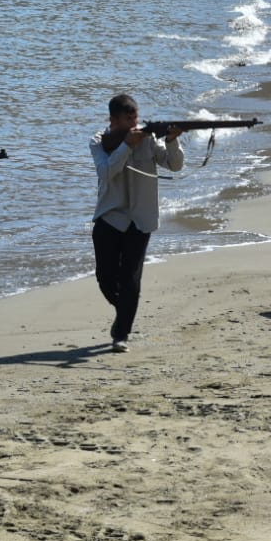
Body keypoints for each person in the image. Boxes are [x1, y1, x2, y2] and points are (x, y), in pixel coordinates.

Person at [91, 95, 183, 352]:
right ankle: (125, 311)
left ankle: (121, 333)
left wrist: (172, 140)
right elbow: (106, 173)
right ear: (113, 120)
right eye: (128, 119)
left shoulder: (149, 139)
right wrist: (126, 146)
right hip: (110, 217)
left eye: (136, 117)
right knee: (105, 278)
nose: (135, 124)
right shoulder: (98, 141)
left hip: (141, 219)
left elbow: (175, 165)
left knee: (130, 280)